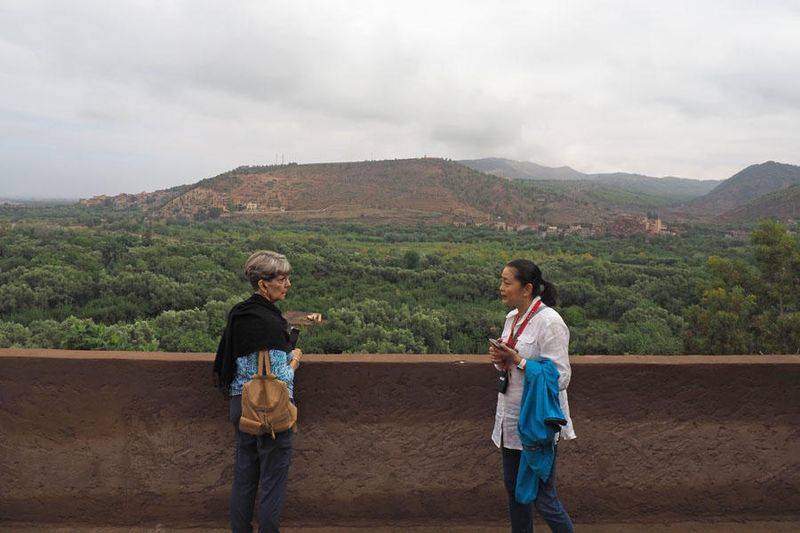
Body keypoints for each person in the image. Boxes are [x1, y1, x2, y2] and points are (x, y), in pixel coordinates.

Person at [213, 250, 303, 533]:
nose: (287, 284)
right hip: (272, 411)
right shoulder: (269, 322)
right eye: (281, 278)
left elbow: (232, 364)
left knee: (244, 477)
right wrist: (296, 358)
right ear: (263, 284)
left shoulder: (239, 315)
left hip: (241, 406)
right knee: (273, 482)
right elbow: (280, 376)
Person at [489, 259, 576, 533]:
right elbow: (513, 363)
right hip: (511, 421)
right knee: (515, 491)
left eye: (506, 282)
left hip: (537, 425)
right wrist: (502, 359)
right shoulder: (512, 318)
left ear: (526, 288)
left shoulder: (550, 322)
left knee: (543, 498)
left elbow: (561, 377)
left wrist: (519, 361)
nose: (500, 287)